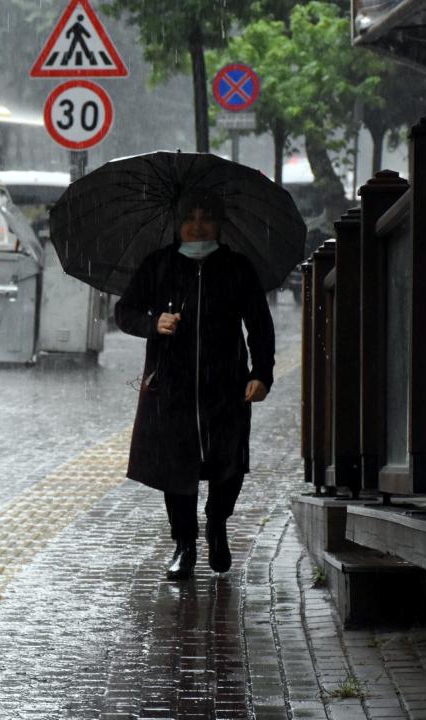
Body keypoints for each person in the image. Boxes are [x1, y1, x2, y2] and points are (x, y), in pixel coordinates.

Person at [114, 191, 275, 581]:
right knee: (177, 466)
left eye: (206, 217)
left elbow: (259, 324)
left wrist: (261, 373)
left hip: (227, 383)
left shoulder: (237, 267)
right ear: (177, 223)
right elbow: (124, 312)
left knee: (229, 461)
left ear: (219, 223)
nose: (198, 225)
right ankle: (184, 544)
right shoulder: (159, 265)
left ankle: (217, 523)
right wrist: (154, 322)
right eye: (190, 217)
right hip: (172, 385)